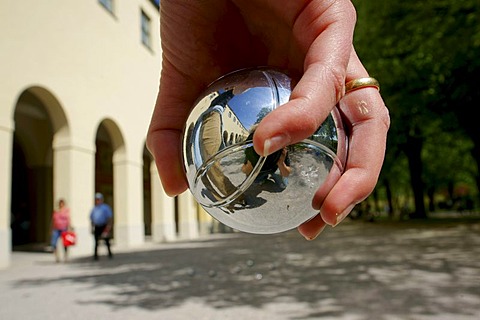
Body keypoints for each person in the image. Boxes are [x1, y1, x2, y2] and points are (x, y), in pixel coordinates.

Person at [147, 0, 390, 240]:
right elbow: (244, 170)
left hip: (268, 178)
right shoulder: (241, 141)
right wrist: (253, 166)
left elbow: (285, 174)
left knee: (281, 186)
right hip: (254, 177)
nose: (269, 143)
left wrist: (281, 159)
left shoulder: (278, 151)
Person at [90, 193, 113, 260]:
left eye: (99, 199)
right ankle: (95, 255)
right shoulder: (94, 209)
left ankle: (109, 253)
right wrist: (92, 227)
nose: (97, 201)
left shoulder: (105, 208)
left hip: (104, 225)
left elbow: (109, 217)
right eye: (96, 200)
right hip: (97, 226)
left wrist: (108, 226)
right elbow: (92, 218)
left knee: (106, 240)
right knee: (96, 241)